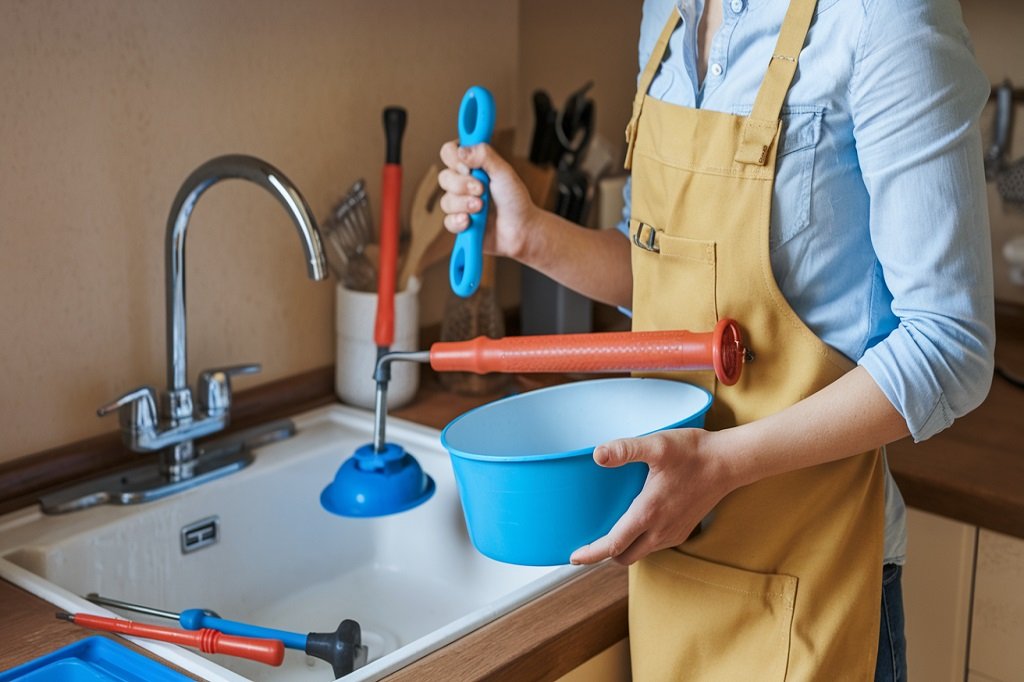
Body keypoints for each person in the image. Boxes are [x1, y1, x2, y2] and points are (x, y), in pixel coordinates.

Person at [438, 0, 995, 679]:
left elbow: (950, 342)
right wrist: (530, 237)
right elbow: (665, 277)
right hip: (673, 571)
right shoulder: (667, 15)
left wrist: (720, 466)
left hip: (815, 580)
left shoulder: (885, 17)